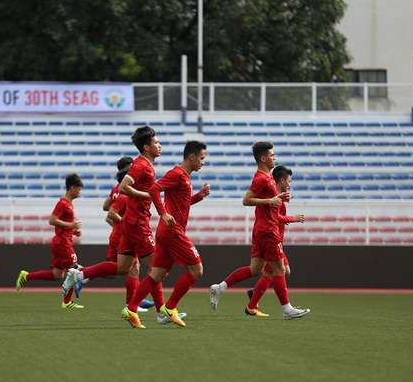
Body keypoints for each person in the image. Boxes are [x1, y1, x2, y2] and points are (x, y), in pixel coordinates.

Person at [62, 126, 165, 316]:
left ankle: (80, 276)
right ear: (145, 147)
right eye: (156, 142)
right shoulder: (141, 166)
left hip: (130, 224)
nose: (160, 145)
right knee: (156, 267)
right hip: (136, 224)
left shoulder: (145, 169)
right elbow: (120, 196)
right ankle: (159, 312)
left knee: (123, 268)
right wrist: (147, 195)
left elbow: (108, 205)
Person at [208, 142, 309, 319]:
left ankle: (220, 287)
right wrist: (271, 201)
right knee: (279, 270)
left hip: (261, 230)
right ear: (263, 158)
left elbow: (266, 199)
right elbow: (246, 200)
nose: (274, 158)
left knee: (256, 269)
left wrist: (278, 197)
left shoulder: (268, 178)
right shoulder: (261, 178)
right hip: (269, 230)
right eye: (272, 155)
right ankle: (287, 310)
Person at [122, 141, 211, 328]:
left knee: (157, 274)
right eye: (202, 158)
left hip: (166, 232)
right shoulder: (177, 173)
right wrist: (163, 213)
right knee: (197, 270)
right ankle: (170, 308)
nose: (203, 162)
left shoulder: (185, 177)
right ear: (192, 157)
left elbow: (182, 204)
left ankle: (131, 309)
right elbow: (154, 189)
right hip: (173, 232)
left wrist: (199, 196)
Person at [74, 161, 154, 311]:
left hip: (122, 232)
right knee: (124, 268)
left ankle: (134, 301)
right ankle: (82, 275)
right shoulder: (126, 191)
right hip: (126, 232)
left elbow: (106, 207)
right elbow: (110, 212)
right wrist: (126, 222)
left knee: (128, 269)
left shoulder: (116, 190)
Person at [245, 165, 310, 319]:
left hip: (274, 237)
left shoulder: (277, 196)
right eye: (289, 181)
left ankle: (254, 298)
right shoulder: (271, 195)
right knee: (277, 271)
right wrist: (292, 219)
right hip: (270, 237)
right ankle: (284, 309)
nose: (289, 184)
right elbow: (274, 218)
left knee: (281, 271)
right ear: (282, 180)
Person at [15, 173, 86, 309]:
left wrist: (74, 231)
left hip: (61, 241)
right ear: (72, 188)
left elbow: (63, 223)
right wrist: (71, 225)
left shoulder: (69, 204)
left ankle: (26, 276)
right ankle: (67, 302)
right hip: (62, 243)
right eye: (79, 189)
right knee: (75, 270)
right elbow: (52, 220)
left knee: (57, 275)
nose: (80, 191)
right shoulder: (63, 203)